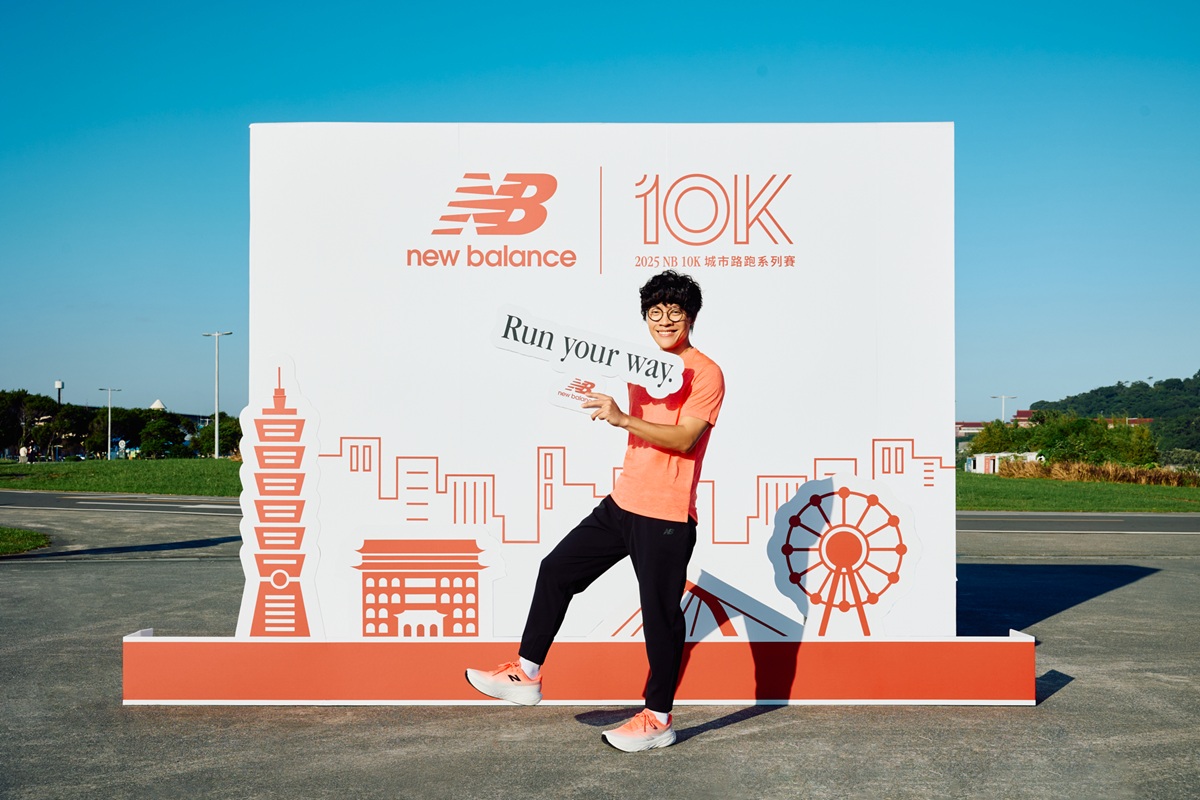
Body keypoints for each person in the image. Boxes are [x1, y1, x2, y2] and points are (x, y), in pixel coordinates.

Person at [466, 269, 725, 752]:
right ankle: (527, 672)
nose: (665, 320)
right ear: (645, 318)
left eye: (675, 311)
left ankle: (658, 719)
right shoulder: (640, 365)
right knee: (556, 569)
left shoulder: (705, 372)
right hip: (623, 502)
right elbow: (588, 365)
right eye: (655, 312)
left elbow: (685, 438)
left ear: (691, 317)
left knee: (660, 618)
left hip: (666, 515)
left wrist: (622, 417)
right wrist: (573, 382)